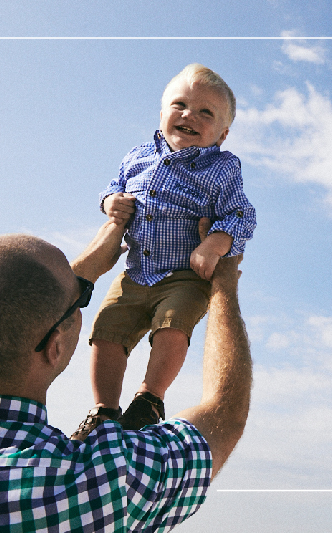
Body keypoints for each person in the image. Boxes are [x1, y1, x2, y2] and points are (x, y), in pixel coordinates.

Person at [0, 219, 252, 531]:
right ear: (54, 346)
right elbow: (225, 412)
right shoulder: (83, 486)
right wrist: (223, 285)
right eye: (80, 299)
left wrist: (82, 270)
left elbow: (8, 314)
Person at [75, 63, 256, 439]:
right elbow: (113, 186)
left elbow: (241, 214)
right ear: (161, 115)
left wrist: (215, 242)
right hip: (136, 268)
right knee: (107, 330)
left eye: (206, 112)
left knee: (172, 328)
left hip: (185, 276)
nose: (190, 115)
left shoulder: (222, 169)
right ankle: (105, 409)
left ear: (222, 134)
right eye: (180, 105)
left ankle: (149, 398)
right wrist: (111, 202)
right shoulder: (138, 155)